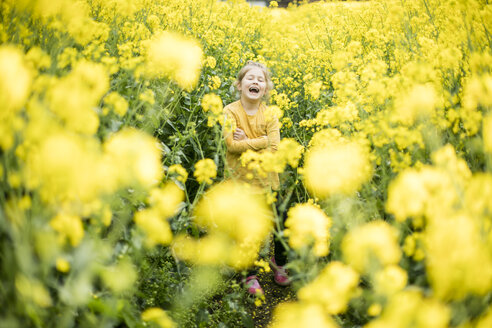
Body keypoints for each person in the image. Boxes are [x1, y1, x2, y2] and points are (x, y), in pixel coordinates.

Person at [223, 61, 290, 296]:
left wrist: (247, 143)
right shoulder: (230, 111)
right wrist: (261, 140)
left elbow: (275, 148)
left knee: (282, 223)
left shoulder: (270, 114)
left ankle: (279, 262)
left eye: (261, 80)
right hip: (240, 183)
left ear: (266, 88)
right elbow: (231, 145)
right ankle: (248, 274)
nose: (256, 82)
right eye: (250, 78)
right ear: (240, 85)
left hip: (267, 181)